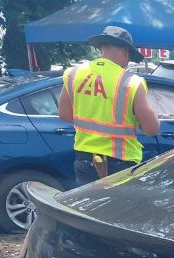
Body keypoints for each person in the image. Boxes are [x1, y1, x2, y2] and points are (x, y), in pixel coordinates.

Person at [58, 26, 159, 185]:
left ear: (101, 48)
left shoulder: (73, 74)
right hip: (121, 162)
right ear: (125, 52)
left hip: (85, 159)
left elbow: (64, 114)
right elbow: (152, 129)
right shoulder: (131, 82)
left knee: (89, 202)